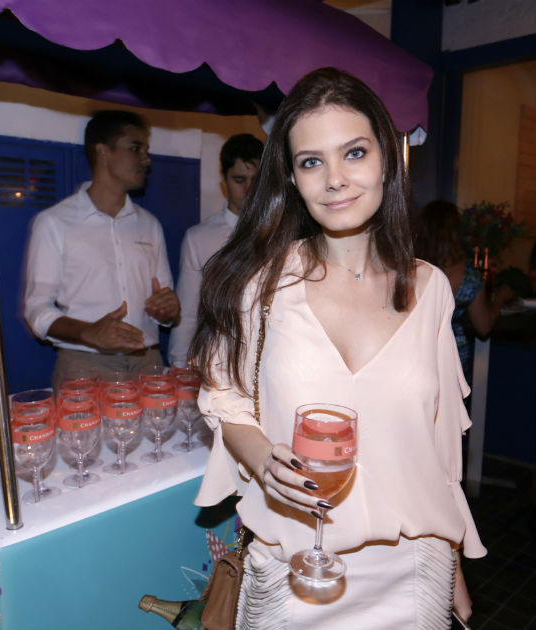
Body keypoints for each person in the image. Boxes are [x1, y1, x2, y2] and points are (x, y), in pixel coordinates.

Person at [190, 68, 485, 630]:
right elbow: (225, 399)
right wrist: (263, 460)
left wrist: (452, 563)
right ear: (292, 178)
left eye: (354, 153)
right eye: (311, 162)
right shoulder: (260, 284)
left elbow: (441, 443)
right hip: (292, 568)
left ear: (386, 161)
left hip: (411, 571)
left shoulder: (430, 288)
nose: (335, 180)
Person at [23, 110, 180, 388]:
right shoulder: (55, 222)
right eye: (135, 148)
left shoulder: (149, 224)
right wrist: (89, 332)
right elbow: (36, 309)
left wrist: (168, 310)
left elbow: (165, 300)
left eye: (146, 150)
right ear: (103, 151)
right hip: (85, 364)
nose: (146, 159)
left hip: (148, 361)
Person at [168, 133, 264, 366]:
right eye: (239, 180)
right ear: (224, 180)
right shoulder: (200, 238)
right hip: (218, 363)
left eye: (255, 180)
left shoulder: (283, 234)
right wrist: (179, 366)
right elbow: (188, 312)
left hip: (271, 362)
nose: (248, 189)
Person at [415, 200, 515, 384]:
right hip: (451, 359)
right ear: (455, 234)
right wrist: (500, 298)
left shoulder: (406, 269)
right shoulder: (468, 275)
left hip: (414, 355)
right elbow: (483, 327)